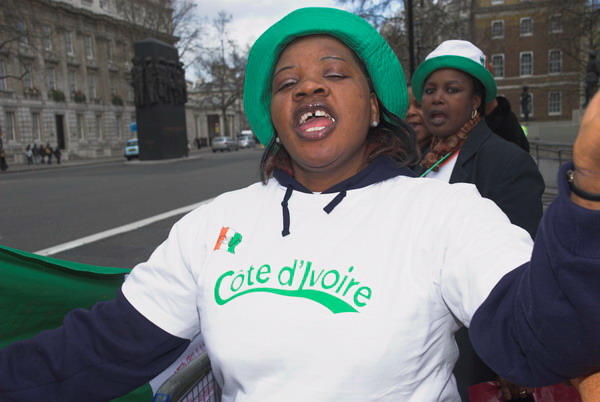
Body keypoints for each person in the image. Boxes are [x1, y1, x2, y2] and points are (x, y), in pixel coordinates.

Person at [2, 8, 600, 401]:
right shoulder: (215, 224)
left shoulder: (444, 212)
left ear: (372, 108)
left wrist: (590, 192)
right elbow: (96, 351)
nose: (309, 87)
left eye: (334, 74)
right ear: (276, 121)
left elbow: (540, 341)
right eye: (288, 83)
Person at [411, 40, 545, 399]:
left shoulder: (507, 163)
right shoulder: (415, 165)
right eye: (430, 90)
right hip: (418, 346)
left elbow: (521, 272)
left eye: (452, 90)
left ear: (475, 102)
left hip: (475, 351)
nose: (437, 98)